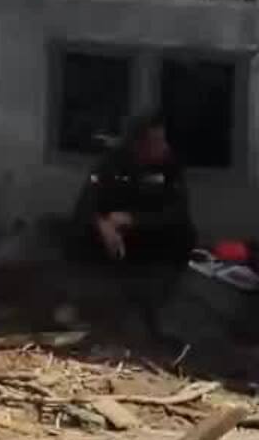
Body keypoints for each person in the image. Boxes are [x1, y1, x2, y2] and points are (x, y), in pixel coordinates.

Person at [67, 112, 196, 330]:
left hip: (152, 234)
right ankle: (84, 298)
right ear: (138, 145)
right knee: (74, 232)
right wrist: (103, 224)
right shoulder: (111, 162)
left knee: (185, 234)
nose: (163, 147)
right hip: (117, 238)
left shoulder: (170, 166)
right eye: (155, 142)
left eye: (163, 140)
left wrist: (134, 219)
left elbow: (178, 212)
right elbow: (85, 204)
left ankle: (160, 301)